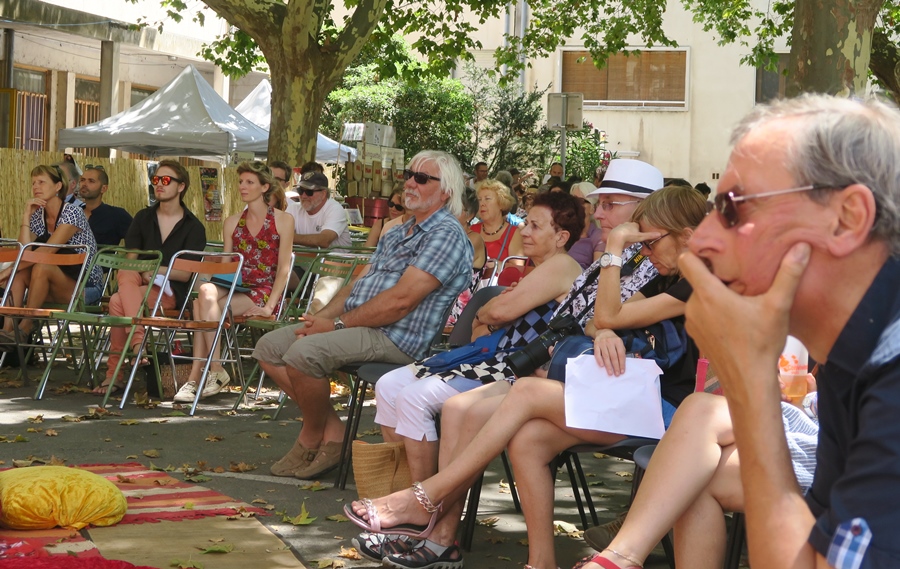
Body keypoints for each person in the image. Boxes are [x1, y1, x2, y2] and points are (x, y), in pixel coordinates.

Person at [346, 176, 685, 569]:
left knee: (513, 393)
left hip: (634, 396)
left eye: (613, 205)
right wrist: (604, 322)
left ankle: (427, 505)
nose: (602, 214)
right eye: (602, 204)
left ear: (646, 212)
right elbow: (593, 319)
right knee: (478, 419)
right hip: (587, 378)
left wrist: (610, 273)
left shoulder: (651, 268)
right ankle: (509, 554)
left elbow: (603, 316)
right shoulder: (637, 261)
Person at [676, 94, 900, 568]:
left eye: (734, 208)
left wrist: (751, 384)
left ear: (847, 218)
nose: (700, 239)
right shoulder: (852, 357)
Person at [253, 150, 474, 480]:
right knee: (269, 348)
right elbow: (356, 285)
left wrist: (335, 325)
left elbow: (401, 301)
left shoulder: (446, 234)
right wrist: (319, 321)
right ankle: (334, 436)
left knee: (303, 353)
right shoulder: (398, 231)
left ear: (446, 192)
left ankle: (310, 437)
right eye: (408, 174)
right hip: (360, 325)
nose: (410, 183)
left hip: (398, 336)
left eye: (422, 178)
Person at [372, 192, 584, 482]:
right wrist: (492, 314)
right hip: (488, 358)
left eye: (535, 226)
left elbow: (496, 314)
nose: (525, 230)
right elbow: (482, 328)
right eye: (527, 224)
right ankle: (400, 488)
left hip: (513, 370)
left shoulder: (562, 266)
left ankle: (420, 499)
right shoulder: (539, 270)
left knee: (413, 398)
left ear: (561, 237)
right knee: (387, 386)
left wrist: (489, 312)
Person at [578, 384, 818, 569]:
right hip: (804, 419)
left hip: (832, 448)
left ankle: (621, 556)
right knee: (696, 465)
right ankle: (620, 556)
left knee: (699, 433)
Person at [172, 162, 294, 403]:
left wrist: (270, 306)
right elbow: (226, 267)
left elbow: (284, 269)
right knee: (205, 292)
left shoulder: (284, 220)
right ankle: (216, 368)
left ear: (264, 187)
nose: (242, 187)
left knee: (200, 307)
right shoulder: (232, 222)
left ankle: (196, 376)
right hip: (235, 285)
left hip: (263, 290)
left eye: (249, 182)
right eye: (241, 182)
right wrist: (206, 267)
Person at [95, 159, 207, 395]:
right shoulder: (143, 217)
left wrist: (156, 269)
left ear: (181, 187)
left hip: (170, 292)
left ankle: (115, 374)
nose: (159, 184)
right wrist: (144, 270)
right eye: (156, 179)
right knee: (125, 274)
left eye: (166, 180)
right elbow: (129, 261)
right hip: (136, 284)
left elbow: (185, 274)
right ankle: (138, 344)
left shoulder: (194, 227)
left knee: (117, 302)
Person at [0, 165, 105, 345]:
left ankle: (26, 326)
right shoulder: (38, 215)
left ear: (57, 187)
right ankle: (7, 332)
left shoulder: (72, 212)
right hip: (53, 283)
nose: (36, 187)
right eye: (33, 183)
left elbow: (46, 252)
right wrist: (26, 216)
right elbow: (23, 251)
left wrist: (6, 272)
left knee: (40, 266)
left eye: (41, 182)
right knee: (21, 274)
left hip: (86, 287)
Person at [446, 188, 487, 328]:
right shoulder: (444, 236)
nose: (449, 212)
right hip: (438, 299)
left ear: (469, 215)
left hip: (454, 307)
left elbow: (447, 268)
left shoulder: (474, 239)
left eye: (455, 208)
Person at [285, 171, 352, 248]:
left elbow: (324, 241)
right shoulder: (293, 208)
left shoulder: (335, 209)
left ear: (323, 194)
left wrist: (287, 237)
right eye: (300, 191)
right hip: (305, 258)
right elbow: (278, 233)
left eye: (309, 192)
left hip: (337, 260)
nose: (303, 196)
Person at [469, 180, 524, 264]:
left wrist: (493, 265)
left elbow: (517, 270)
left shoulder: (514, 233)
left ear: (501, 203)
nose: (481, 204)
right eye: (479, 200)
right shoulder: (471, 231)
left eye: (487, 199)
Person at [78, 165, 133, 247]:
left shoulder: (117, 215)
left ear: (103, 188)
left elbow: (137, 240)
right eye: (82, 180)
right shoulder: (73, 213)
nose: (84, 184)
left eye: (91, 181)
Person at [565, 181, 603, 269]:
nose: (574, 205)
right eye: (571, 200)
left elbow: (597, 275)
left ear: (593, 209)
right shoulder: (561, 233)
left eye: (580, 201)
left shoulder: (598, 237)